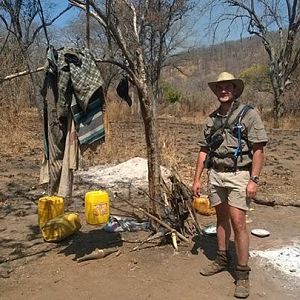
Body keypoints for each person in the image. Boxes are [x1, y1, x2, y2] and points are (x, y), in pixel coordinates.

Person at [192, 72, 268, 299]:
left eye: (228, 87)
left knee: (239, 223)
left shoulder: (249, 115)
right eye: (220, 87)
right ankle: (222, 259)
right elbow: (203, 150)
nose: (223, 90)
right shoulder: (211, 119)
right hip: (216, 174)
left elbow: (258, 150)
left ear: (235, 90)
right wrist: (196, 178)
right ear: (216, 92)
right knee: (220, 220)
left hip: (239, 176)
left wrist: (254, 180)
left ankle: (243, 274)